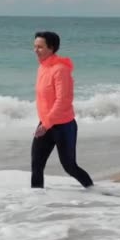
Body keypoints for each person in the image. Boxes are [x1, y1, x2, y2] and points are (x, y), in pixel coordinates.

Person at [31, 31, 94, 189]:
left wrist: (46, 125)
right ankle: (35, 203)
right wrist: (44, 123)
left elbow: (63, 101)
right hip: (46, 124)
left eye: (40, 47)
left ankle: (94, 190)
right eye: (34, 46)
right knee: (36, 165)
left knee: (69, 166)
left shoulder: (60, 70)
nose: (35, 50)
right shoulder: (42, 68)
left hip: (63, 126)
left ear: (51, 48)